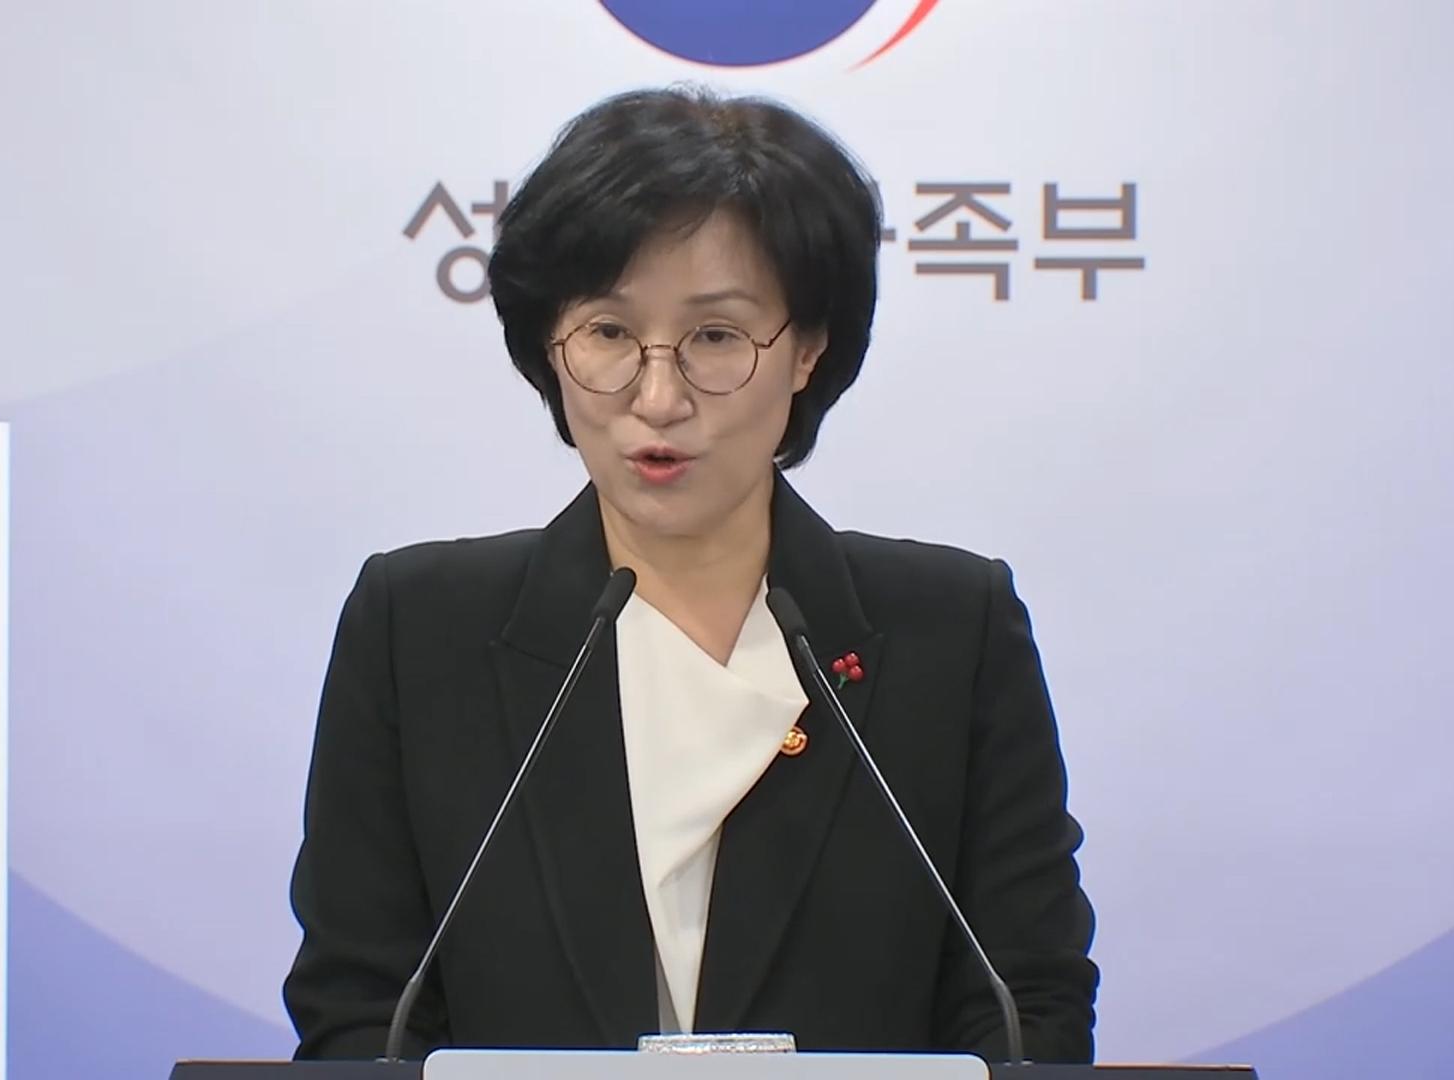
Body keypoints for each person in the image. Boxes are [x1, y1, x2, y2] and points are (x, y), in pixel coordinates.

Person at [283, 86, 1098, 1063]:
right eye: (608, 333)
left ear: (808, 348)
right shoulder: (417, 629)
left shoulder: (954, 632)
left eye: (716, 336)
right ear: (549, 344)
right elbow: (360, 1013)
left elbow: (1025, 1009)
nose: (658, 397)